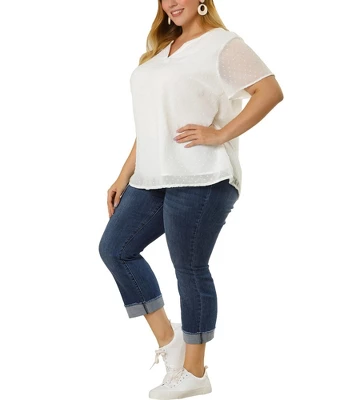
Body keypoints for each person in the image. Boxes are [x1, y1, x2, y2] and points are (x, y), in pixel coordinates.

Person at [98, 1, 284, 399]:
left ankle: (195, 373)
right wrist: (124, 174)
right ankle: (172, 343)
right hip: (153, 176)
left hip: (203, 175)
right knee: (116, 249)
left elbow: (269, 91)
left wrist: (220, 134)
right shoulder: (159, 51)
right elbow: (152, 124)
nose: (172, 2)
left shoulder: (222, 44)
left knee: (189, 268)